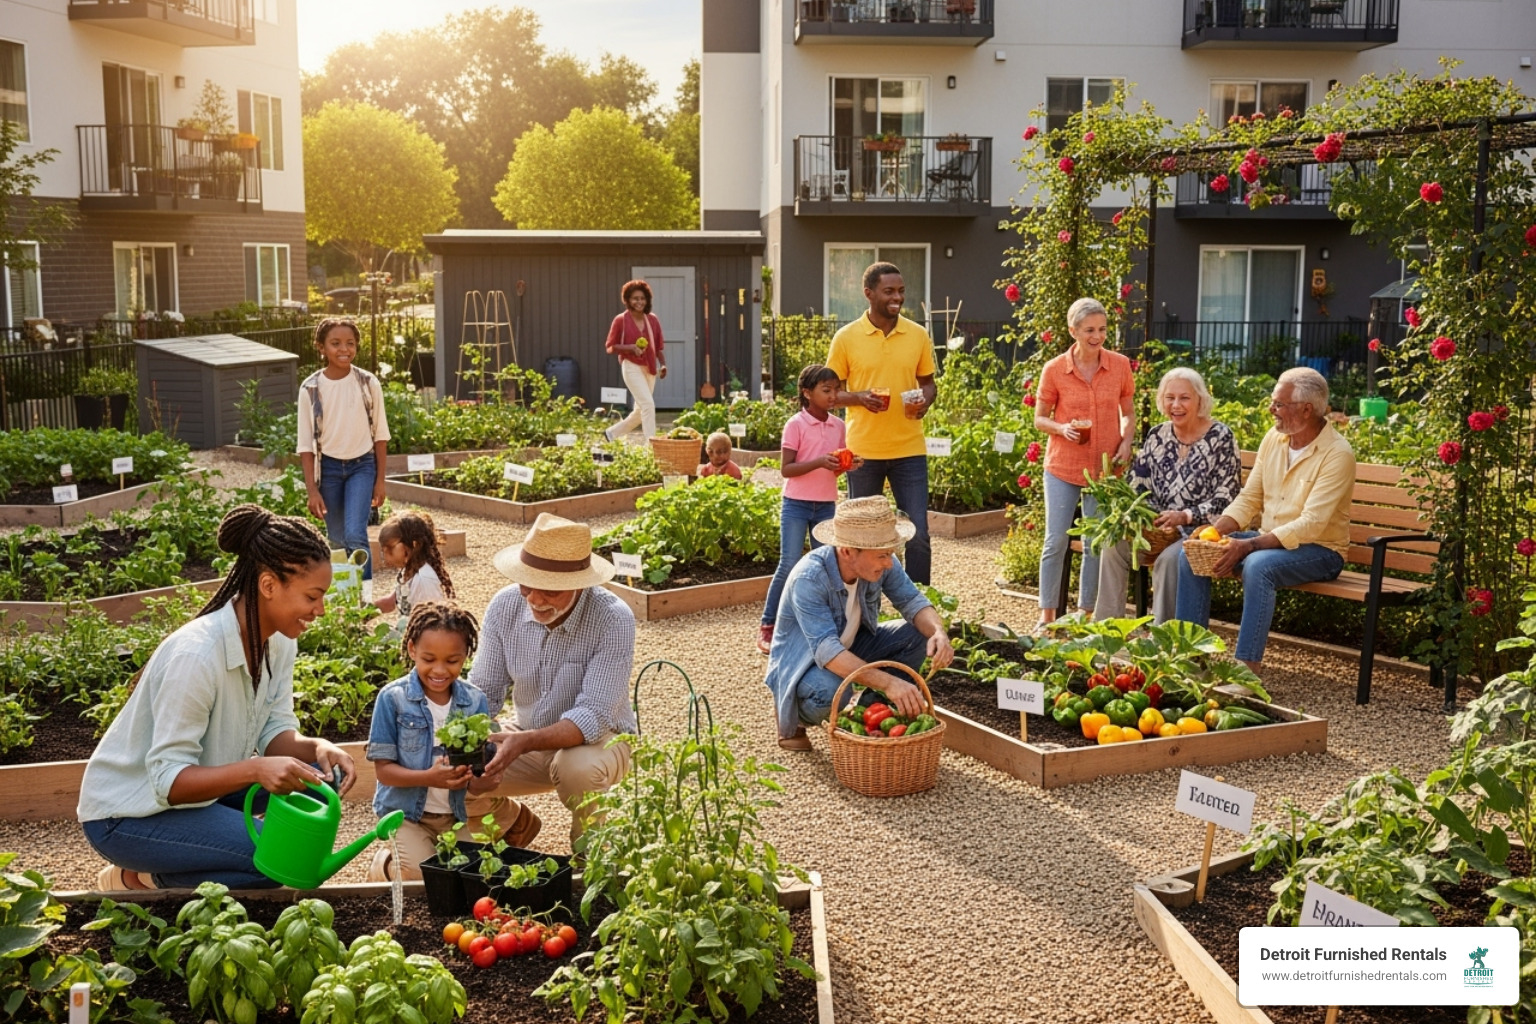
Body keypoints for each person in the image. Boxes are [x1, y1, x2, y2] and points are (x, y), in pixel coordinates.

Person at [78, 505, 357, 890]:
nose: (320, 610)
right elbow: (168, 781)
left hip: (195, 793)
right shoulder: (196, 656)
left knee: (316, 786)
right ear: (269, 585)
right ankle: (139, 878)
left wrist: (319, 747)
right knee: (277, 859)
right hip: (129, 814)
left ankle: (181, 860)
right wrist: (257, 770)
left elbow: (275, 732)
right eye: (313, 596)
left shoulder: (277, 642)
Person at [1174, 366, 1355, 673]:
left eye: (1279, 404)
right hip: (1270, 540)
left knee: (1259, 566)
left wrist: (1249, 546)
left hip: (1321, 550)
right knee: (1190, 554)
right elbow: (1250, 497)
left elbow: (1311, 523)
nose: (1272, 409)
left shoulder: (1337, 454)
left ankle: (1246, 672)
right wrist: (1215, 531)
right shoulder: (1275, 438)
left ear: (1306, 409)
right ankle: (1191, 661)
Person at [470, 513, 636, 843]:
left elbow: (595, 717)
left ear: (579, 584)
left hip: (602, 742)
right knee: (446, 768)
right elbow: (483, 691)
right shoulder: (505, 606)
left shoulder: (613, 618)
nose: (533, 598)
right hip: (527, 734)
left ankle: (592, 860)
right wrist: (461, 740)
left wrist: (524, 741)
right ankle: (512, 822)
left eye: (548, 589)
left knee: (578, 768)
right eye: (526, 583)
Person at [365, 601, 539, 882]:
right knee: (419, 876)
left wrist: (486, 781)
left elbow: (475, 779)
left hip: (455, 815)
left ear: (466, 656)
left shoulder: (474, 701)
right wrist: (429, 778)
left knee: (469, 877)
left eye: (452, 661)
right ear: (412, 650)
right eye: (429, 659)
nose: (439, 670)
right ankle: (383, 865)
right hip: (405, 815)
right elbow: (384, 771)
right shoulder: (392, 698)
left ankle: (426, 852)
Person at [764, 496, 955, 751]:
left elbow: (912, 601)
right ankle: (794, 715)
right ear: (847, 551)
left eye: (890, 554)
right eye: (882, 556)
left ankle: (870, 716)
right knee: (833, 692)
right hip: (805, 662)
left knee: (916, 635)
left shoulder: (881, 562)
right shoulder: (809, 578)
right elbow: (827, 651)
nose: (889, 562)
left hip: (851, 644)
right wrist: (889, 683)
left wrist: (938, 632)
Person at [1094, 368, 1241, 623]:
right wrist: (1144, 516)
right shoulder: (1157, 435)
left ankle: (1161, 641)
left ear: (1200, 400)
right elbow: (1137, 481)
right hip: (1157, 528)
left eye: (1184, 398)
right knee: (1113, 545)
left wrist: (1184, 516)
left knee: (1168, 561)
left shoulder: (1220, 436)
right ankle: (1107, 629)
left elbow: (1227, 497)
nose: (1176, 405)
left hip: (1199, 531)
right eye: (1169, 398)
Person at [827, 262, 937, 585]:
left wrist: (925, 401)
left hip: (909, 450)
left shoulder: (917, 335)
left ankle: (921, 608)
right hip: (863, 452)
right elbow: (830, 393)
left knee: (918, 535)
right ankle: (860, 606)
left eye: (901, 291)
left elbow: (929, 384)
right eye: (889, 291)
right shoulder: (846, 338)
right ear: (868, 293)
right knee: (861, 538)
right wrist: (860, 398)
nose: (897, 297)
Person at [1034, 297, 1136, 625]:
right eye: (1090, 329)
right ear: (1073, 330)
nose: (1097, 335)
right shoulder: (1054, 370)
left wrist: (1127, 441)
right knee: (1056, 539)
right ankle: (1047, 616)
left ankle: (1085, 614)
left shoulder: (1119, 365)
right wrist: (1062, 428)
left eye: (1103, 329)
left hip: (1105, 470)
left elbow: (1128, 413)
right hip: (1063, 467)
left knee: (1095, 540)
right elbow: (1040, 419)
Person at [758, 364, 859, 654]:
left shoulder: (838, 426)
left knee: (828, 566)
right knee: (788, 563)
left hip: (826, 503)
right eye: (826, 390)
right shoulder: (796, 424)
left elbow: (834, 468)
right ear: (807, 393)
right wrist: (819, 461)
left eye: (836, 390)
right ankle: (768, 624)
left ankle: (822, 628)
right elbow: (786, 469)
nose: (833, 396)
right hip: (796, 504)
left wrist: (848, 466)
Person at [299, 317, 390, 582]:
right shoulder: (310, 388)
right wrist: (312, 490)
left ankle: (365, 596)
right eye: (335, 343)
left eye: (350, 343)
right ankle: (345, 599)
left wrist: (380, 480)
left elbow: (381, 436)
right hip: (328, 469)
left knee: (354, 534)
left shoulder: (368, 383)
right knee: (337, 540)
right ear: (321, 347)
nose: (344, 349)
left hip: (362, 466)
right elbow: (305, 446)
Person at [603, 280, 669, 442]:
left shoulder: (652, 320)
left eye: (642, 298)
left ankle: (611, 434)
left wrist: (663, 364)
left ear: (647, 300)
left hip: (650, 368)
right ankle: (651, 446)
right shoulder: (621, 320)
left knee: (640, 411)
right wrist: (630, 348)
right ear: (627, 300)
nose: (639, 302)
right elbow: (610, 347)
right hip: (631, 366)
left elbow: (658, 346)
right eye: (635, 298)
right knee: (648, 405)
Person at [372, 510, 453, 632]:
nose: (385, 556)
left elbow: (433, 624)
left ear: (413, 545)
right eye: (383, 550)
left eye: (390, 549)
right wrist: (363, 612)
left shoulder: (423, 580)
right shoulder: (407, 571)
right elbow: (391, 601)